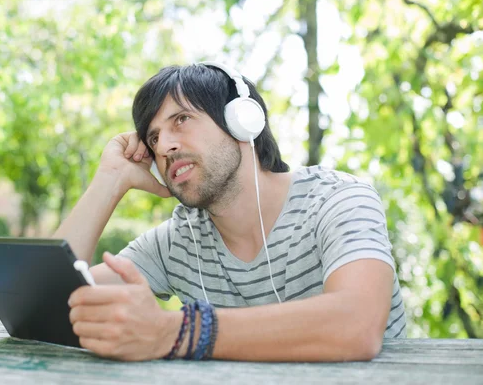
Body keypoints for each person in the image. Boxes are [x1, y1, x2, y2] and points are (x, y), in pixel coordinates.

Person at [55, 62, 406, 362]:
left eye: (181, 119)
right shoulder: (178, 240)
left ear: (242, 121)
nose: (165, 146)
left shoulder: (337, 199)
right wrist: (110, 179)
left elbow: (357, 324)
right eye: (153, 137)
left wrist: (174, 332)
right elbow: (45, 302)